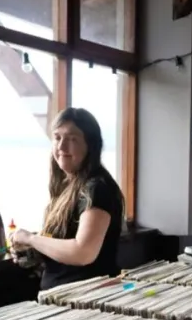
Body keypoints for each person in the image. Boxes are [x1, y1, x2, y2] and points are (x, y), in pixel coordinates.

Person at [10, 108, 125, 291]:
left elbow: (83, 252)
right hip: (61, 297)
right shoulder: (66, 186)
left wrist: (31, 238)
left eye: (72, 139)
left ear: (91, 145)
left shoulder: (97, 188)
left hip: (86, 300)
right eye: (57, 138)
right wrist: (34, 251)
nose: (62, 147)